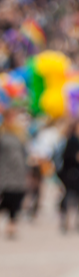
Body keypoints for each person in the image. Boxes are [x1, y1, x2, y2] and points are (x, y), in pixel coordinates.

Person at [0, 103, 30, 240]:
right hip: (5, 170)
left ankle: (12, 224)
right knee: (6, 196)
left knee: (17, 197)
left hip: (19, 171)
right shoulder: (2, 133)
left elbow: (25, 152)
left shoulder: (20, 134)